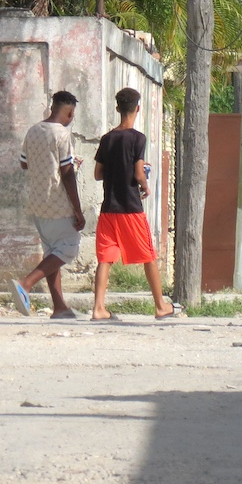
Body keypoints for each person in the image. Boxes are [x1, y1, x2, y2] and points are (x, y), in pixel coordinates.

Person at [90, 88, 175, 321]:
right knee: (148, 255)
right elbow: (139, 173)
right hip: (130, 208)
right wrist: (145, 185)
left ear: (117, 108)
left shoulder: (107, 139)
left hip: (108, 209)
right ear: (138, 108)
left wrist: (117, 168)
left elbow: (98, 173)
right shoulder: (138, 138)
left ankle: (98, 308)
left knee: (105, 258)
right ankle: (160, 306)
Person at [11, 91, 87, 320]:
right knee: (67, 249)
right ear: (70, 112)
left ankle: (60, 307)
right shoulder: (63, 135)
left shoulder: (33, 130)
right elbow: (67, 174)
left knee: (51, 252)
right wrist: (77, 209)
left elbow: (25, 165)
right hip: (58, 202)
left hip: (37, 202)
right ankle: (26, 284)